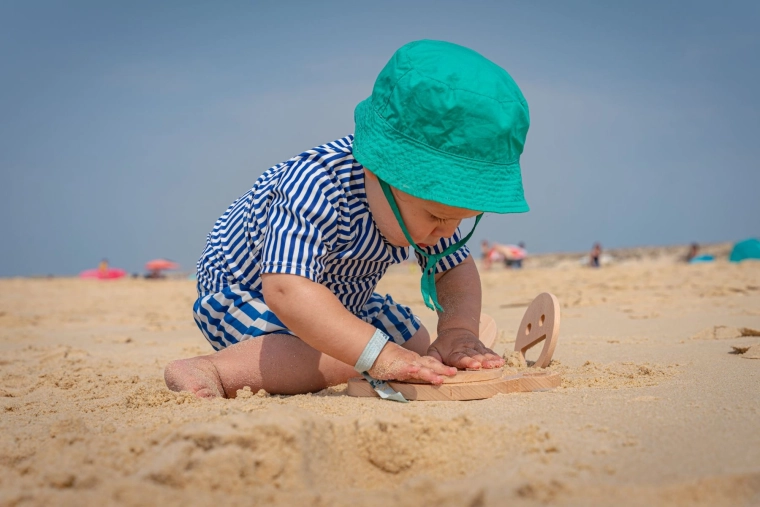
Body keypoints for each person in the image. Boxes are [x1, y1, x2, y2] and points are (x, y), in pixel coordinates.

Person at [164, 40, 531, 398]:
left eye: (461, 219)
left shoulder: (429, 211)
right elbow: (286, 290)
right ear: (377, 170)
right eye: (437, 216)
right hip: (256, 296)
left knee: (418, 344)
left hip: (342, 297)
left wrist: (456, 328)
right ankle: (212, 369)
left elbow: (453, 269)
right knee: (346, 358)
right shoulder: (315, 183)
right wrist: (377, 356)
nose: (446, 232)